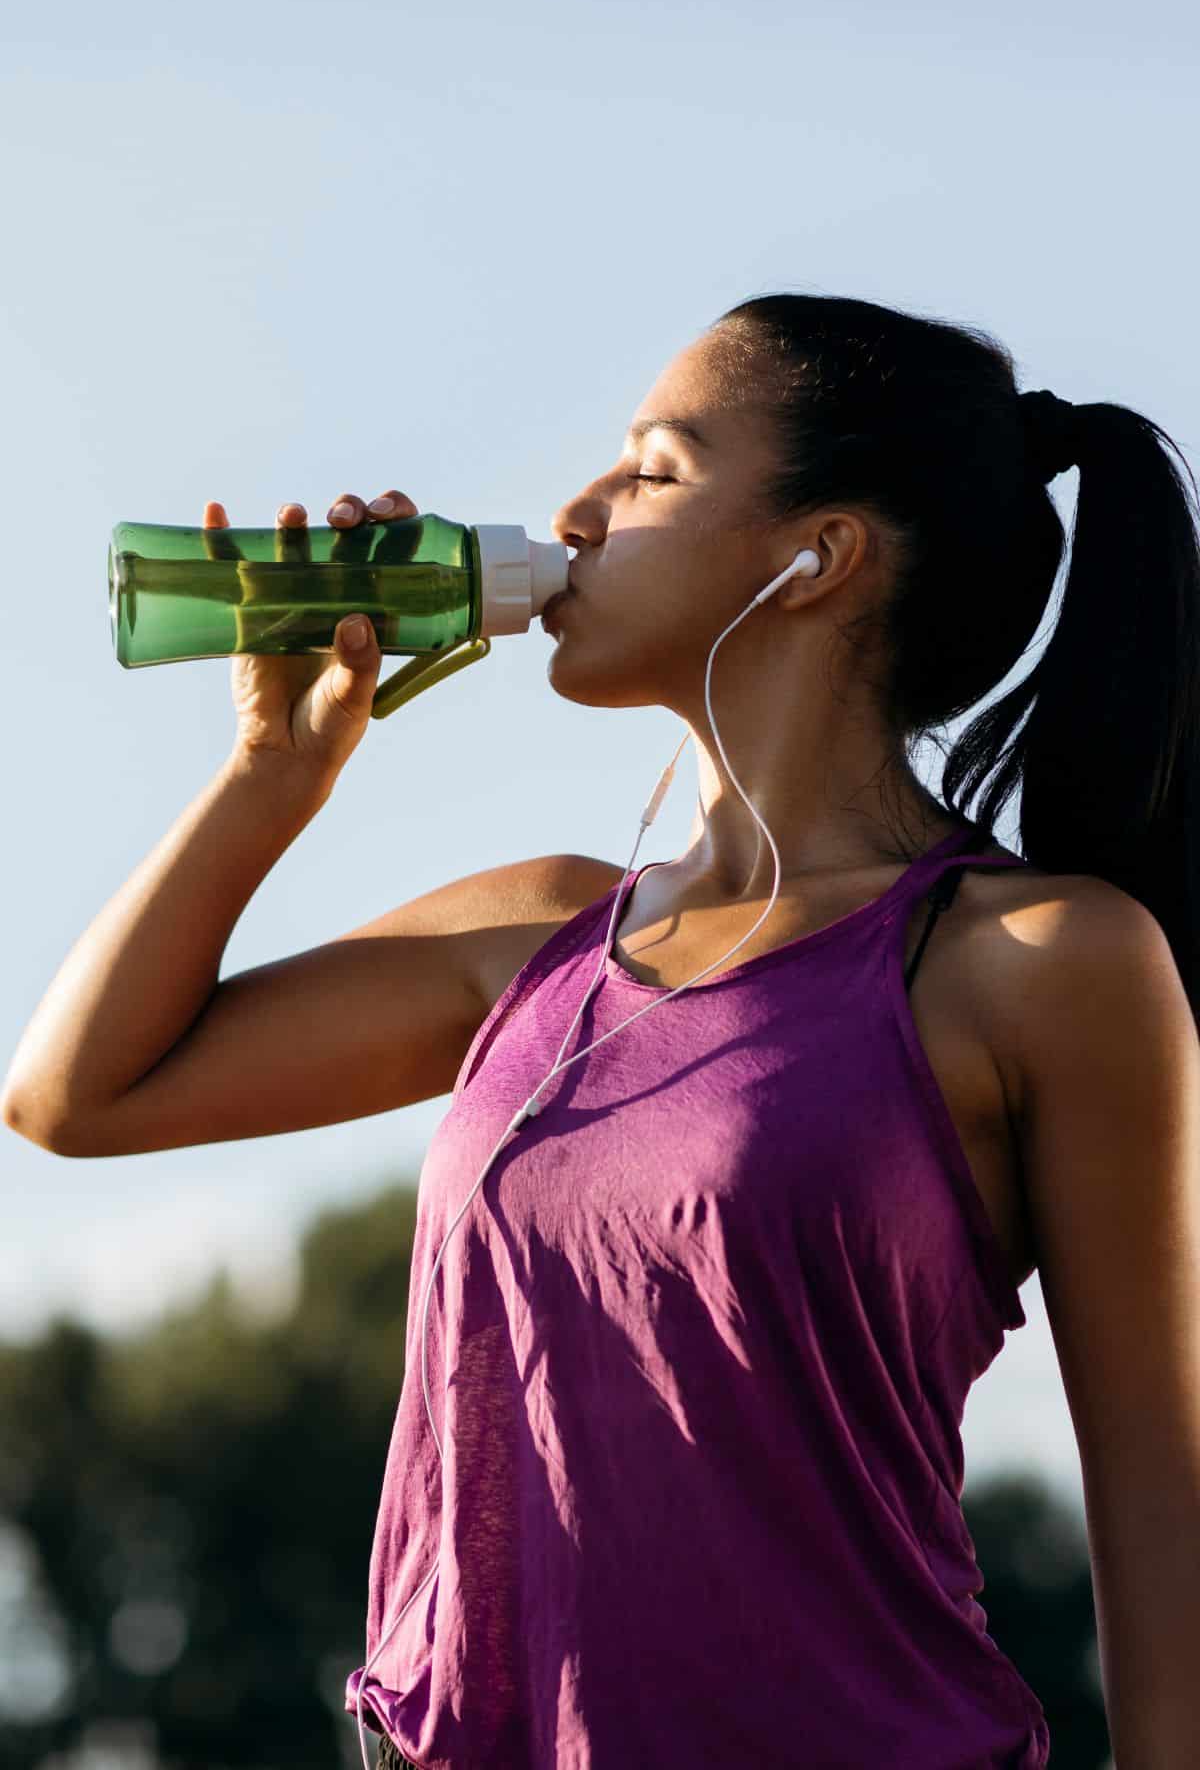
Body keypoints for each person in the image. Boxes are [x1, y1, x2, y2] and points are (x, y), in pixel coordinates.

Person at [4, 292, 1199, 1769]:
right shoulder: (539, 935)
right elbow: (74, 1094)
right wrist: (269, 773)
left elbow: (1161, 1488)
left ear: (816, 558)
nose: (574, 512)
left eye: (654, 467)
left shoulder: (1035, 961)